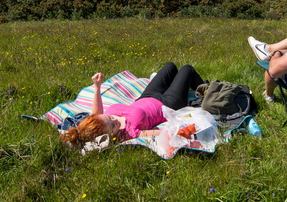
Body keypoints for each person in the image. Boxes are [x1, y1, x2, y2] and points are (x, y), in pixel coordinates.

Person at [61, 62, 205, 148]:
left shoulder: (101, 120)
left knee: (170, 66)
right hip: (168, 103)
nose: (115, 120)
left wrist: (97, 87)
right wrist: (181, 132)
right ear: (108, 137)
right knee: (187, 69)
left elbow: (96, 113)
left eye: (110, 118)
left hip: (147, 96)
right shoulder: (127, 134)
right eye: (113, 126)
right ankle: (209, 93)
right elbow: (157, 133)